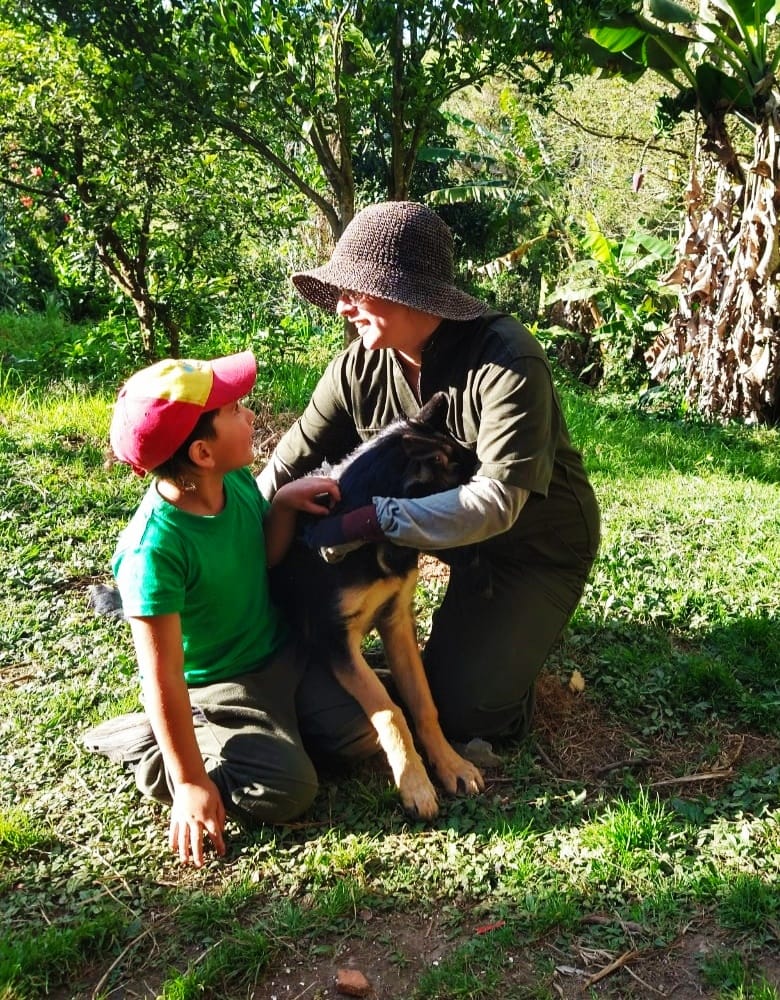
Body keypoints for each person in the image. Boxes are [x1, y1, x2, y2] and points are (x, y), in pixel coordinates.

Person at [258, 201, 600, 744]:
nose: (342, 307)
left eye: (355, 290)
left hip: (529, 550)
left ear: (407, 290)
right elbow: (282, 470)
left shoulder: (507, 361)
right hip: (439, 547)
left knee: (468, 713)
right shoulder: (357, 369)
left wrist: (372, 519)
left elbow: (495, 504)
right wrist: (211, 552)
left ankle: (507, 653)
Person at [83, 352, 376, 866]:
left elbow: (261, 554)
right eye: (236, 411)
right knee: (289, 790)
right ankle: (153, 748)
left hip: (280, 652)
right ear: (202, 452)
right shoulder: (153, 550)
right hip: (218, 685)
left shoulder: (234, 482)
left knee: (370, 725)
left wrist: (283, 502)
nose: (251, 417)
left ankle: (281, 730)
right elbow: (164, 677)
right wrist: (192, 782)